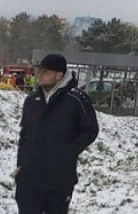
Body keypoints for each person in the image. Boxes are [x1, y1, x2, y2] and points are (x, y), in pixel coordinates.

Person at [15, 54, 98, 214]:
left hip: (59, 180)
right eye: (39, 71)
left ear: (59, 75)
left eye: (45, 72)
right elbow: (25, 134)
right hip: (29, 179)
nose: (39, 75)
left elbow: (90, 130)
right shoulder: (32, 101)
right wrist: (21, 164)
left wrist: (67, 151)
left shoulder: (76, 99)